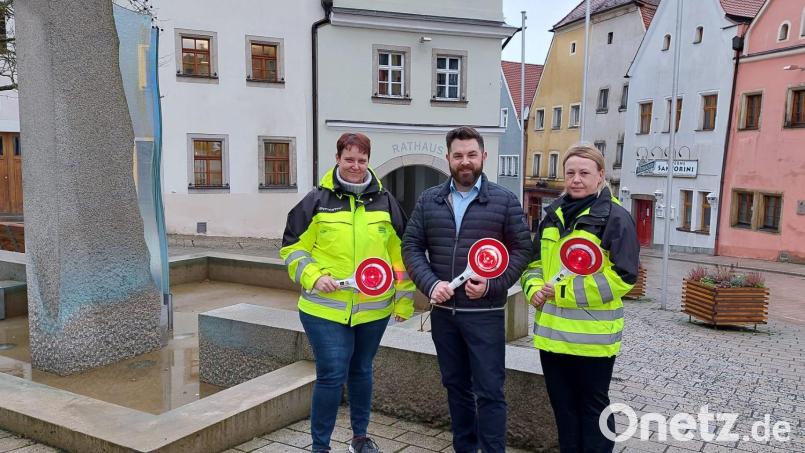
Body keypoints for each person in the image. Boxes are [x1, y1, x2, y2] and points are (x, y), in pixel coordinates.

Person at [280, 132, 415, 453]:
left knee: (362, 370)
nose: (355, 166)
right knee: (332, 372)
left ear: (369, 162)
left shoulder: (385, 202)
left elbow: (402, 255)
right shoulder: (316, 201)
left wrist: (405, 299)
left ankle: (359, 438)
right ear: (338, 159)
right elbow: (292, 248)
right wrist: (313, 276)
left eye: (362, 160)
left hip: (373, 310)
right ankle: (321, 446)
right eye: (349, 159)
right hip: (324, 309)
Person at [402, 126, 532, 453]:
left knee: (490, 392)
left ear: (483, 156)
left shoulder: (504, 201)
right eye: (458, 155)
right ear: (448, 158)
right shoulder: (429, 200)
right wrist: (431, 284)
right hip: (444, 316)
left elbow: (522, 251)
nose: (465, 162)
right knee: (456, 387)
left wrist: (492, 285)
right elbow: (412, 246)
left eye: (472, 155)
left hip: (485, 315)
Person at [520, 144, 639, 453]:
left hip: (593, 340)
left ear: (600, 176)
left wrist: (562, 292)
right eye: (570, 173)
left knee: (593, 410)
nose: (576, 179)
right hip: (552, 339)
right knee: (564, 411)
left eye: (584, 173)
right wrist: (533, 291)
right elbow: (533, 266)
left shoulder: (615, 218)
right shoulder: (552, 215)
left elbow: (623, 277)